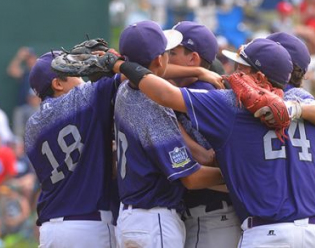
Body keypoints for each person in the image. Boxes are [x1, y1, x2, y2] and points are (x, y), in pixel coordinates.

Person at [113, 37, 315, 247]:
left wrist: (120, 65)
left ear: (260, 76)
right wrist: (299, 109)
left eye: (241, 68)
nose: (234, 75)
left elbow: (165, 94)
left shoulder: (231, 105)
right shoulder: (303, 100)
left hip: (266, 233)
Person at [113, 20, 224, 248]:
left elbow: (139, 72)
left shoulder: (123, 88)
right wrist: (238, 175)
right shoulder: (154, 103)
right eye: (167, 52)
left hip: (131, 218)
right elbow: (191, 178)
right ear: (159, 60)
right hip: (154, 219)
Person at [24, 50, 121, 247]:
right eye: (74, 72)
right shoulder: (83, 98)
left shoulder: (31, 127)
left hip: (50, 230)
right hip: (89, 225)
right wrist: (113, 60)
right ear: (57, 83)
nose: (81, 76)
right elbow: (128, 76)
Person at [169, 21, 241, 248]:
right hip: (212, 218)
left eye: (172, 53)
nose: (164, 58)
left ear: (193, 59)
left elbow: (208, 160)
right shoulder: (195, 90)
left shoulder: (204, 95)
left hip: (212, 218)